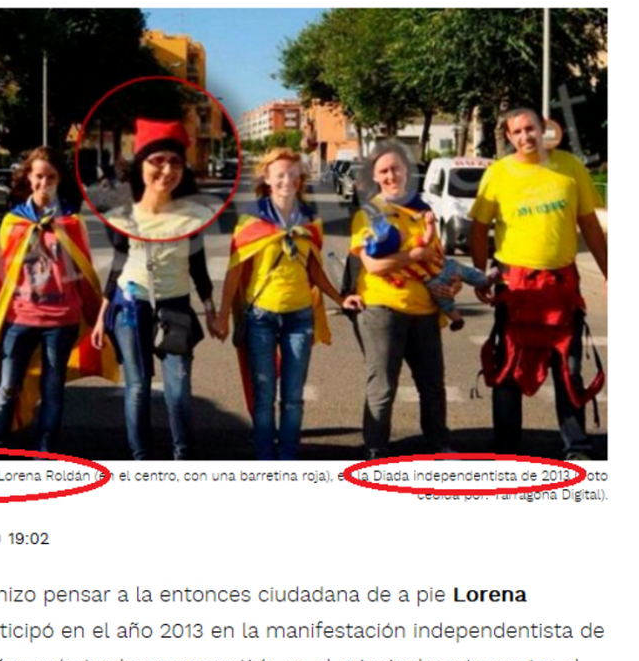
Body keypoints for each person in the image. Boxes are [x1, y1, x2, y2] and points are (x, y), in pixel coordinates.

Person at [469, 108, 607, 459]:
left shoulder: (571, 168)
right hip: (515, 288)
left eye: (530, 128)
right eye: (517, 132)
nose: (525, 137)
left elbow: (590, 225)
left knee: (568, 369)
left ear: (543, 129)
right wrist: (479, 273)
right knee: (508, 369)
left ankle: (576, 447)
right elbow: (479, 228)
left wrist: (612, 273)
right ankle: (506, 448)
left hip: (561, 286)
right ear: (510, 136)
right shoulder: (498, 174)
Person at [213, 148, 363, 460]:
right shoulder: (250, 221)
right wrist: (223, 315)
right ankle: (266, 457)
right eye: (280, 175)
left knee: (293, 398)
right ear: (267, 179)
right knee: (265, 395)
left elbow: (314, 270)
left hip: (300, 318)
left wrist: (339, 297)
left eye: (293, 175)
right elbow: (234, 273)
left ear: (301, 181)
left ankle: (288, 459)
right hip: (260, 317)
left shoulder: (311, 222)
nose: (287, 181)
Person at [92, 119, 217, 460]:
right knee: (138, 388)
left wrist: (211, 310)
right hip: (131, 305)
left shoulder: (193, 215)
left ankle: (183, 460)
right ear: (141, 165)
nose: (166, 170)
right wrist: (102, 316)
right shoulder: (124, 215)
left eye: (175, 161)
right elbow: (118, 262)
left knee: (178, 392)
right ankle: (141, 462)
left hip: (175, 305)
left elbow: (198, 266)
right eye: (157, 161)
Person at [0, 146, 115, 454]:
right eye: (39, 176)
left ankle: (45, 453)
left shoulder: (71, 222)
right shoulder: (12, 222)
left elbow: (83, 272)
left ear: (59, 180)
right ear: (29, 178)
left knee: (53, 391)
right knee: (6, 389)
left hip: (61, 320)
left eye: (51, 177)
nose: (45, 183)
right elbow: (1, 277)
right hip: (19, 318)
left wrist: (98, 316)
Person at [349, 140, 456, 458]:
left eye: (396, 168)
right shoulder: (369, 213)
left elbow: (438, 258)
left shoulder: (424, 211)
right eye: (383, 170)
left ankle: (439, 443)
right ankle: (376, 448)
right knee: (382, 386)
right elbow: (373, 265)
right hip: (383, 308)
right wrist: (413, 255)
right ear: (376, 176)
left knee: (433, 385)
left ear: (407, 171)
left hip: (425, 309)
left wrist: (449, 282)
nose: (391, 174)